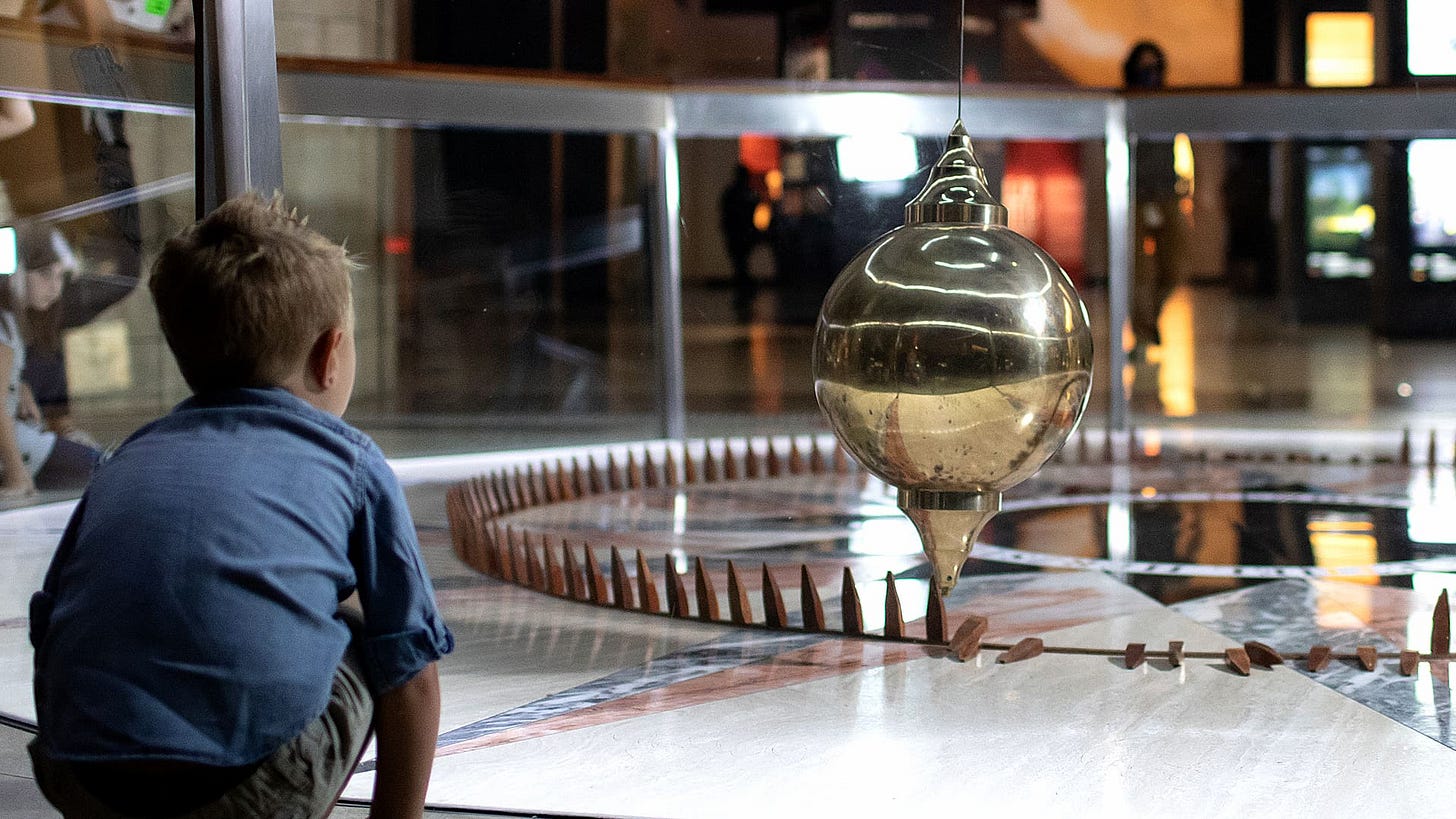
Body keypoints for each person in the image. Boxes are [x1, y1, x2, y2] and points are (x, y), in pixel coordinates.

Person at [28, 193, 454, 818]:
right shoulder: (352, 462)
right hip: (243, 794)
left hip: (79, 776)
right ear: (330, 355)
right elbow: (413, 675)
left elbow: (49, 621)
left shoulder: (127, 459)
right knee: (371, 632)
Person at [0, 230, 101, 498]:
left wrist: (18, 385)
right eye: (44, 274)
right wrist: (16, 472)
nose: (54, 287)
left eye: (59, 276)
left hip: (23, 438)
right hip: (16, 445)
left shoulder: (15, 321)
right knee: (104, 469)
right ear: (18, 272)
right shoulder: (4, 321)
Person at [1122, 41, 1190, 354]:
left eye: (1154, 66)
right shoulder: (1126, 102)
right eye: (1144, 66)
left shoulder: (1169, 103)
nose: (1149, 72)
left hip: (1166, 193)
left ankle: (1149, 322)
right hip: (1133, 195)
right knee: (1138, 271)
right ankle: (1141, 333)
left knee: (1174, 266)